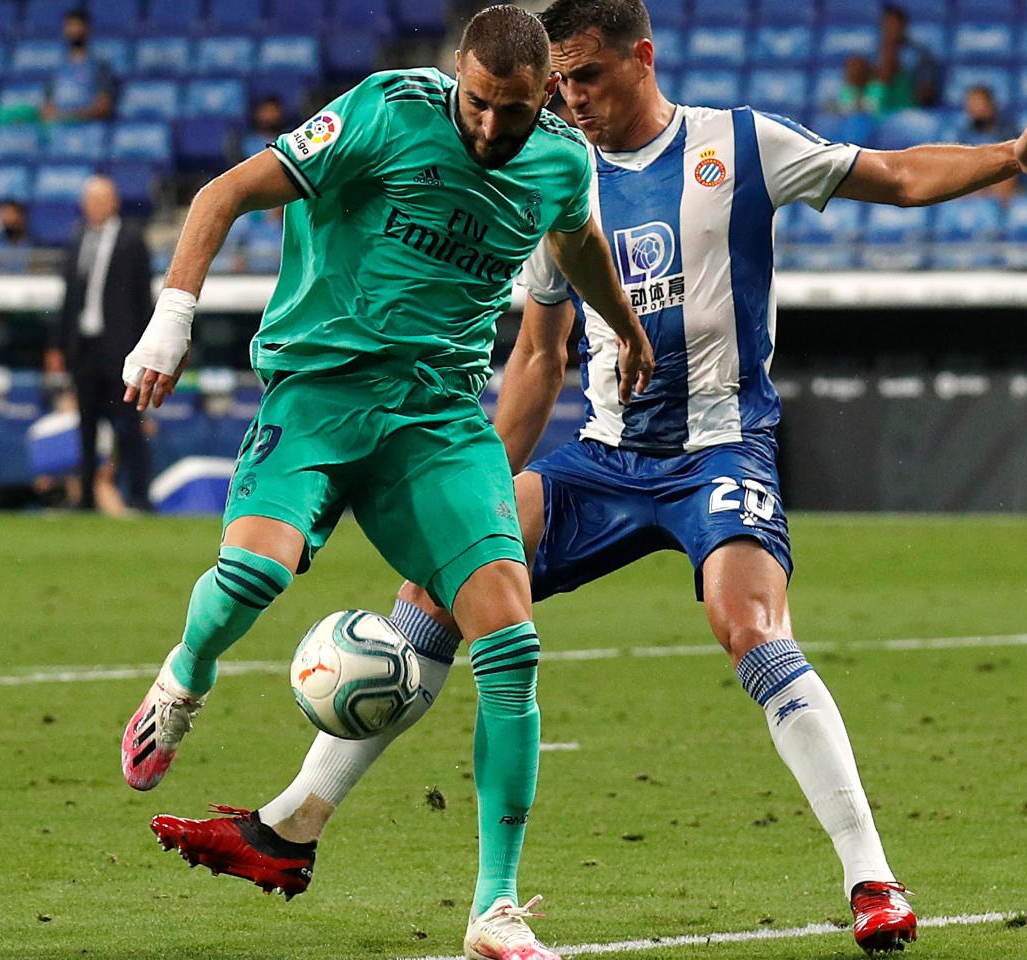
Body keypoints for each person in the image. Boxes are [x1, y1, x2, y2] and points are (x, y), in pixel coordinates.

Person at [235, 0, 1027, 954]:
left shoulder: (739, 145)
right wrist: (476, 503)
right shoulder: (547, 178)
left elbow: (896, 175)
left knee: (748, 623)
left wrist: (1008, 160)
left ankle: (872, 878)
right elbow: (538, 359)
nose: (568, 100)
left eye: (584, 78)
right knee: (442, 590)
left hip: (720, 450)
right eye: (559, 83)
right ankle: (292, 827)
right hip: (606, 456)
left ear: (641, 58)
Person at [117, 8, 653, 959]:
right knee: (253, 577)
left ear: (545, 99)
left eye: (517, 113)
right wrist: (174, 319)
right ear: (457, 75)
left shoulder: (561, 161)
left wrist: (626, 324)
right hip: (322, 387)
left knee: (512, 644)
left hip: (437, 419)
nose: (495, 130)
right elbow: (222, 193)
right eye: (482, 105)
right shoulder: (381, 112)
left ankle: (495, 909)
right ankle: (182, 680)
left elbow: (577, 248)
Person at [52, 176, 153, 512]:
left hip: (121, 350)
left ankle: (139, 495)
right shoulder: (77, 238)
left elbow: (143, 300)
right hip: (85, 348)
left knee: (129, 427)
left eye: (100, 200)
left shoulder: (132, 240)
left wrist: (144, 349)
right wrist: (61, 346)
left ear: (114, 203)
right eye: (89, 200)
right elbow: (68, 298)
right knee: (86, 426)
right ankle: (85, 499)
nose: (93, 207)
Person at [42, 8, 117, 123]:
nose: (74, 30)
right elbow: (47, 107)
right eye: (70, 26)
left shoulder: (100, 66)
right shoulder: (56, 69)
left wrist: (71, 117)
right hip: (59, 130)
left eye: (78, 26)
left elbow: (104, 106)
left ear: (88, 30)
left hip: (89, 129)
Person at [876, 3, 940, 111]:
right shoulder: (875, 53)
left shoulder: (922, 55)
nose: (890, 30)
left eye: (894, 25)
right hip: (878, 112)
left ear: (904, 26)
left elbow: (926, 94)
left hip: (909, 112)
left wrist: (898, 78)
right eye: (886, 25)